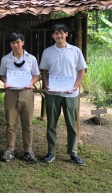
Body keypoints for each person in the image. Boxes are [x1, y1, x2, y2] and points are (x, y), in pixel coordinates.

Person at [39, 24, 87, 166]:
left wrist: (75, 87)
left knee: (71, 125)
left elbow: (82, 70)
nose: (59, 36)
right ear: (52, 36)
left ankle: (73, 153)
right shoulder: (48, 52)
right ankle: (51, 152)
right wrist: (47, 85)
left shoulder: (75, 51)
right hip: (53, 93)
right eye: (56, 34)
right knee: (51, 124)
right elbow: (44, 71)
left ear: (66, 34)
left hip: (70, 94)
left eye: (61, 33)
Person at [0, 33, 40, 163]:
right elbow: (2, 75)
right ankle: (10, 149)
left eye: (17, 42)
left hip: (27, 93)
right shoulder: (5, 59)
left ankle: (28, 150)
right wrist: (5, 81)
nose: (15, 45)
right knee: (11, 123)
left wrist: (31, 83)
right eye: (12, 43)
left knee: (27, 124)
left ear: (23, 42)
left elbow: (36, 75)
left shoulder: (31, 59)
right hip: (11, 93)